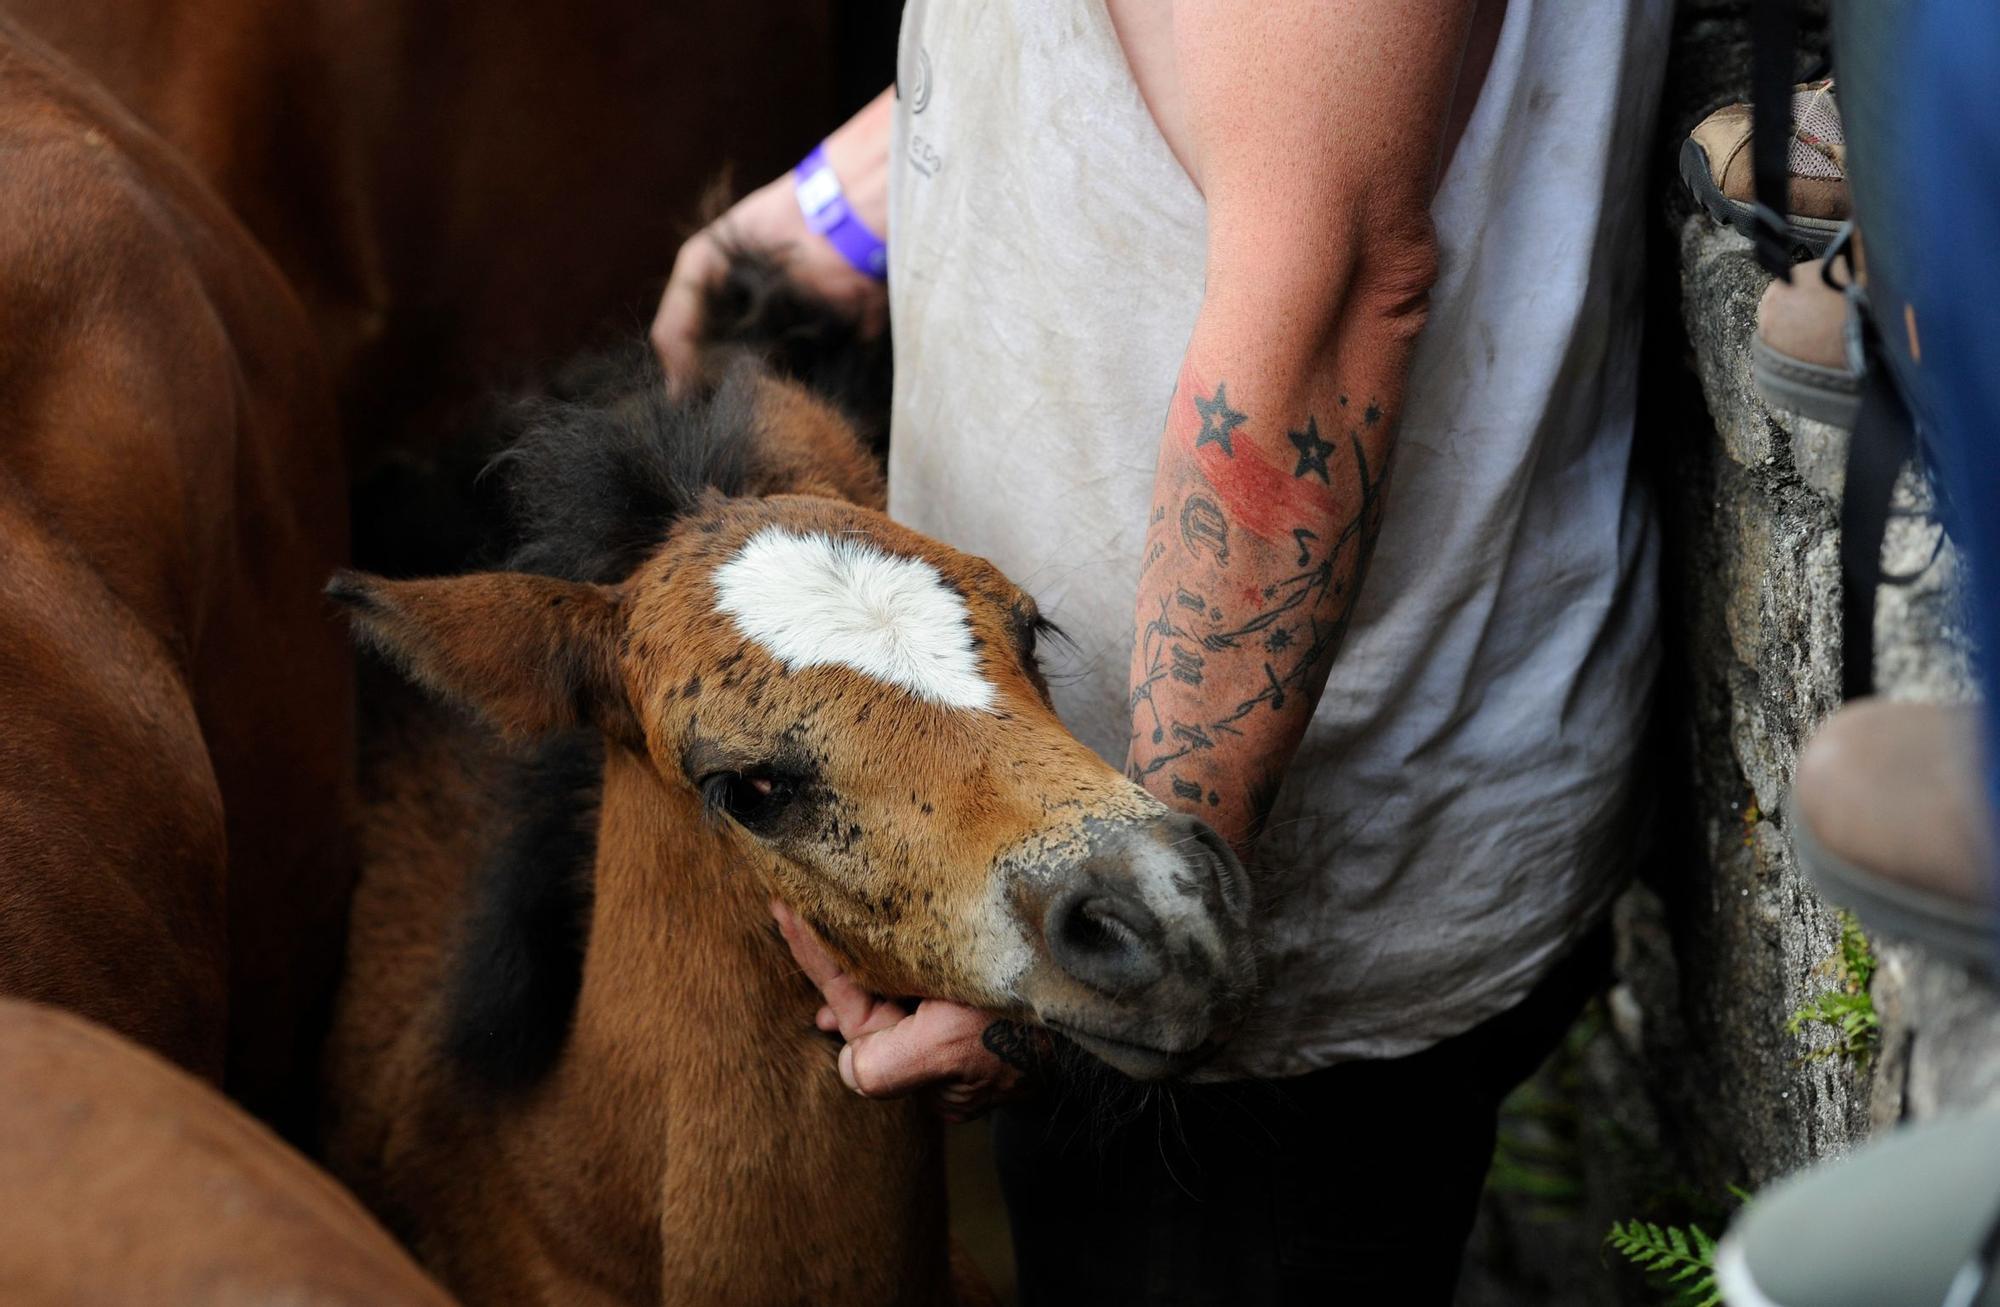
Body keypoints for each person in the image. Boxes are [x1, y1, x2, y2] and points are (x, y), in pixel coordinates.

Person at [656, 2, 1669, 1300]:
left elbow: (1341, 285)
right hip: (1080, 835)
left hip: (1245, 921)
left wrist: (1112, 945)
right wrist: (843, 209)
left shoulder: (1119, 934)